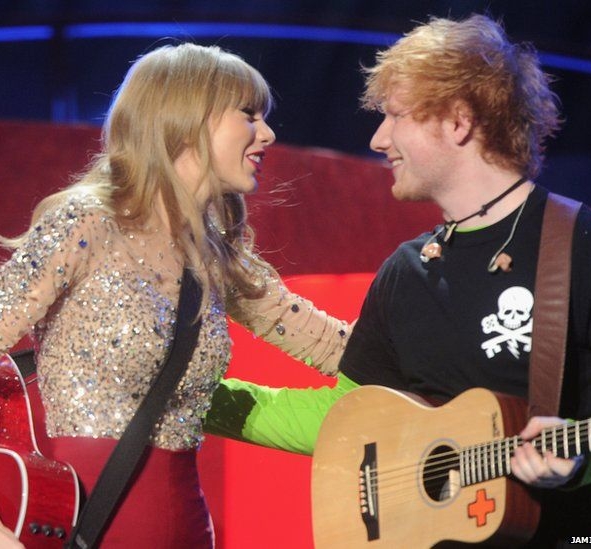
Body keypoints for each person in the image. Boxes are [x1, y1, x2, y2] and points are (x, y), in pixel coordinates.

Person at [204, 13, 591, 548]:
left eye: (394, 116)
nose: (378, 138)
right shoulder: (406, 270)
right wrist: (194, 398)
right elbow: (344, 418)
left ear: (458, 121)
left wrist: (585, 461)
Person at [0, 43, 349, 547]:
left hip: (186, 527)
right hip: (80, 524)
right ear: (186, 118)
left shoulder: (218, 258)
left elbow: (338, 347)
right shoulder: (85, 224)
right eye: (249, 115)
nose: (267, 134)